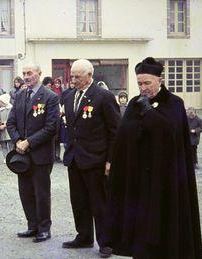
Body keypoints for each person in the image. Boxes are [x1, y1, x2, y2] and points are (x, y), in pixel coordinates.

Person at [104, 57, 202, 258]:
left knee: (163, 223)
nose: (143, 87)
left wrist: (149, 113)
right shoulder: (134, 103)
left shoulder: (174, 103)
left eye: (147, 83)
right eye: (140, 83)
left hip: (164, 179)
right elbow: (124, 137)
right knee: (140, 226)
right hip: (139, 178)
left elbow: (171, 136)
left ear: (160, 80)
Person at [62, 59, 120, 258]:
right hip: (75, 159)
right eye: (72, 76)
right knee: (78, 201)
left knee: (99, 203)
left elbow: (115, 131)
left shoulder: (103, 97)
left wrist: (110, 161)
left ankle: (106, 242)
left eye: (77, 76)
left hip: (96, 160)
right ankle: (84, 236)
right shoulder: (69, 97)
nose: (74, 80)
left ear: (89, 76)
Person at [6, 64, 59, 243]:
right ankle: (32, 226)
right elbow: (11, 122)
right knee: (25, 192)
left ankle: (44, 228)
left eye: (29, 73)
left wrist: (29, 142)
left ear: (39, 74)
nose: (26, 77)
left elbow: (52, 127)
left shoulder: (50, 97)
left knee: (41, 192)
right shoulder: (20, 95)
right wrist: (17, 141)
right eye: (24, 74)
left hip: (40, 154)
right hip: (22, 154)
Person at [0, 93, 13, 163]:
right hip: (1, 129)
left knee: (10, 145)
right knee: (3, 144)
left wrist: (5, 124)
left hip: (8, 129)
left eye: (1, 101)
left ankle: (11, 157)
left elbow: (11, 119)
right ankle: (5, 157)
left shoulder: (11, 109)